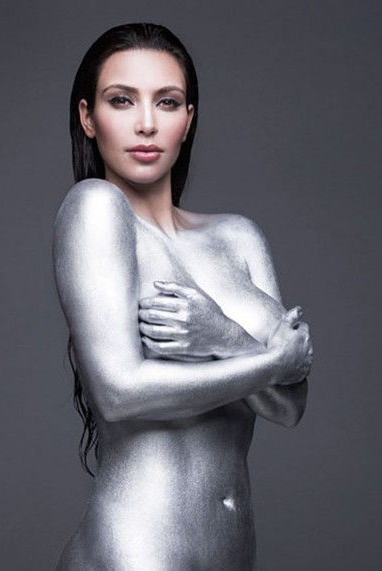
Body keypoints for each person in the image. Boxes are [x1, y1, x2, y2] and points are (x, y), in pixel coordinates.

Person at [53, 22, 313, 571]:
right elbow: (119, 392)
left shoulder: (239, 237)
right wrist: (271, 362)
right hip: (137, 551)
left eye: (167, 102)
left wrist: (224, 336)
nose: (146, 123)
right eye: (121, 100)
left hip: (232, 553)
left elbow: (290, 407)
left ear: (188, 120)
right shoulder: (96, 208)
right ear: (87, 117)